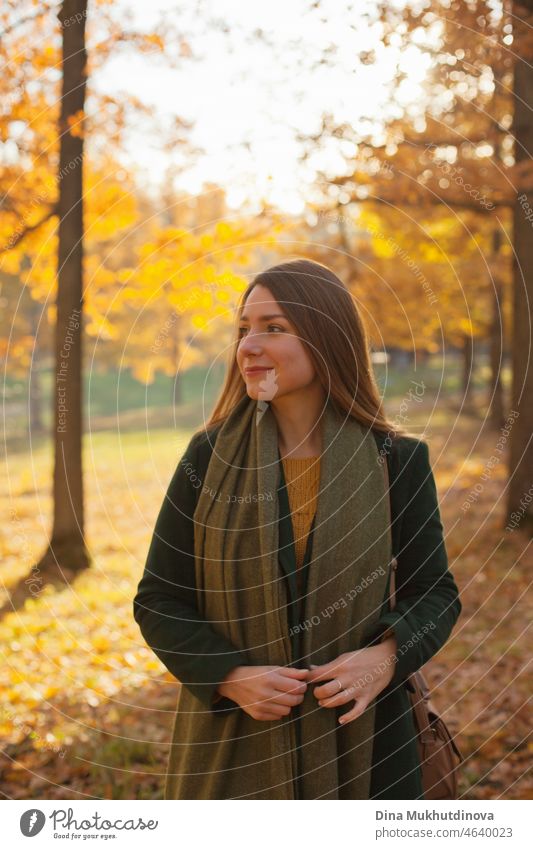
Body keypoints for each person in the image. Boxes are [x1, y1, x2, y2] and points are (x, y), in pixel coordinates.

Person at [133, 258, 462, 799]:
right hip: (233, 741)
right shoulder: (207, 457)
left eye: (274, 328)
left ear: (327, 339)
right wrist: (230, 676)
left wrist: (384, 658)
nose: (249, 345)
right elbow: (160, 597)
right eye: (244, 329)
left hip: (370, 744)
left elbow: (436, 593)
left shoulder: (396, 460)